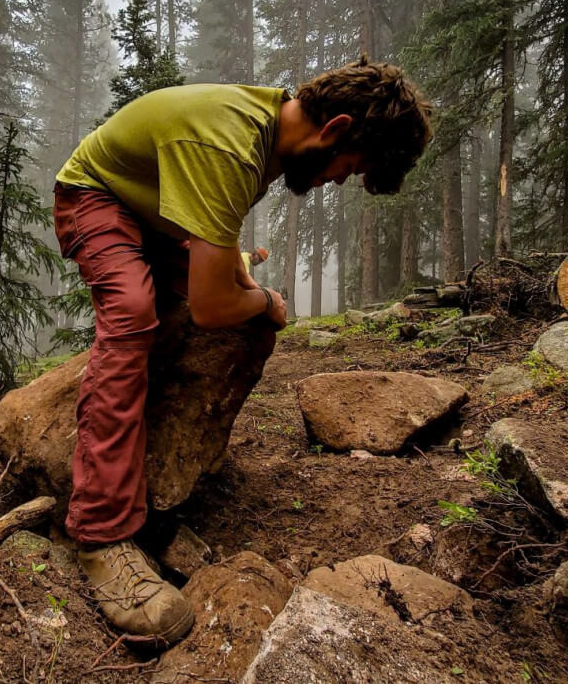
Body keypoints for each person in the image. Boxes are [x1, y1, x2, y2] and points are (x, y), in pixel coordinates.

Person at [51, 58, 433, 643]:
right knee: (133, 311)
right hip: (97, 198)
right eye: (347, 169)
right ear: (333, 130)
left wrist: (248, 291)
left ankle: (169, 464)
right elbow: (211, 307)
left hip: (154, 216)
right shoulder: (233, 144)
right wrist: (263, 302)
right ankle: (100, 536)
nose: (335, 182)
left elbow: (215, 231)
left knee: (227, 308)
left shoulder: (266, 131)